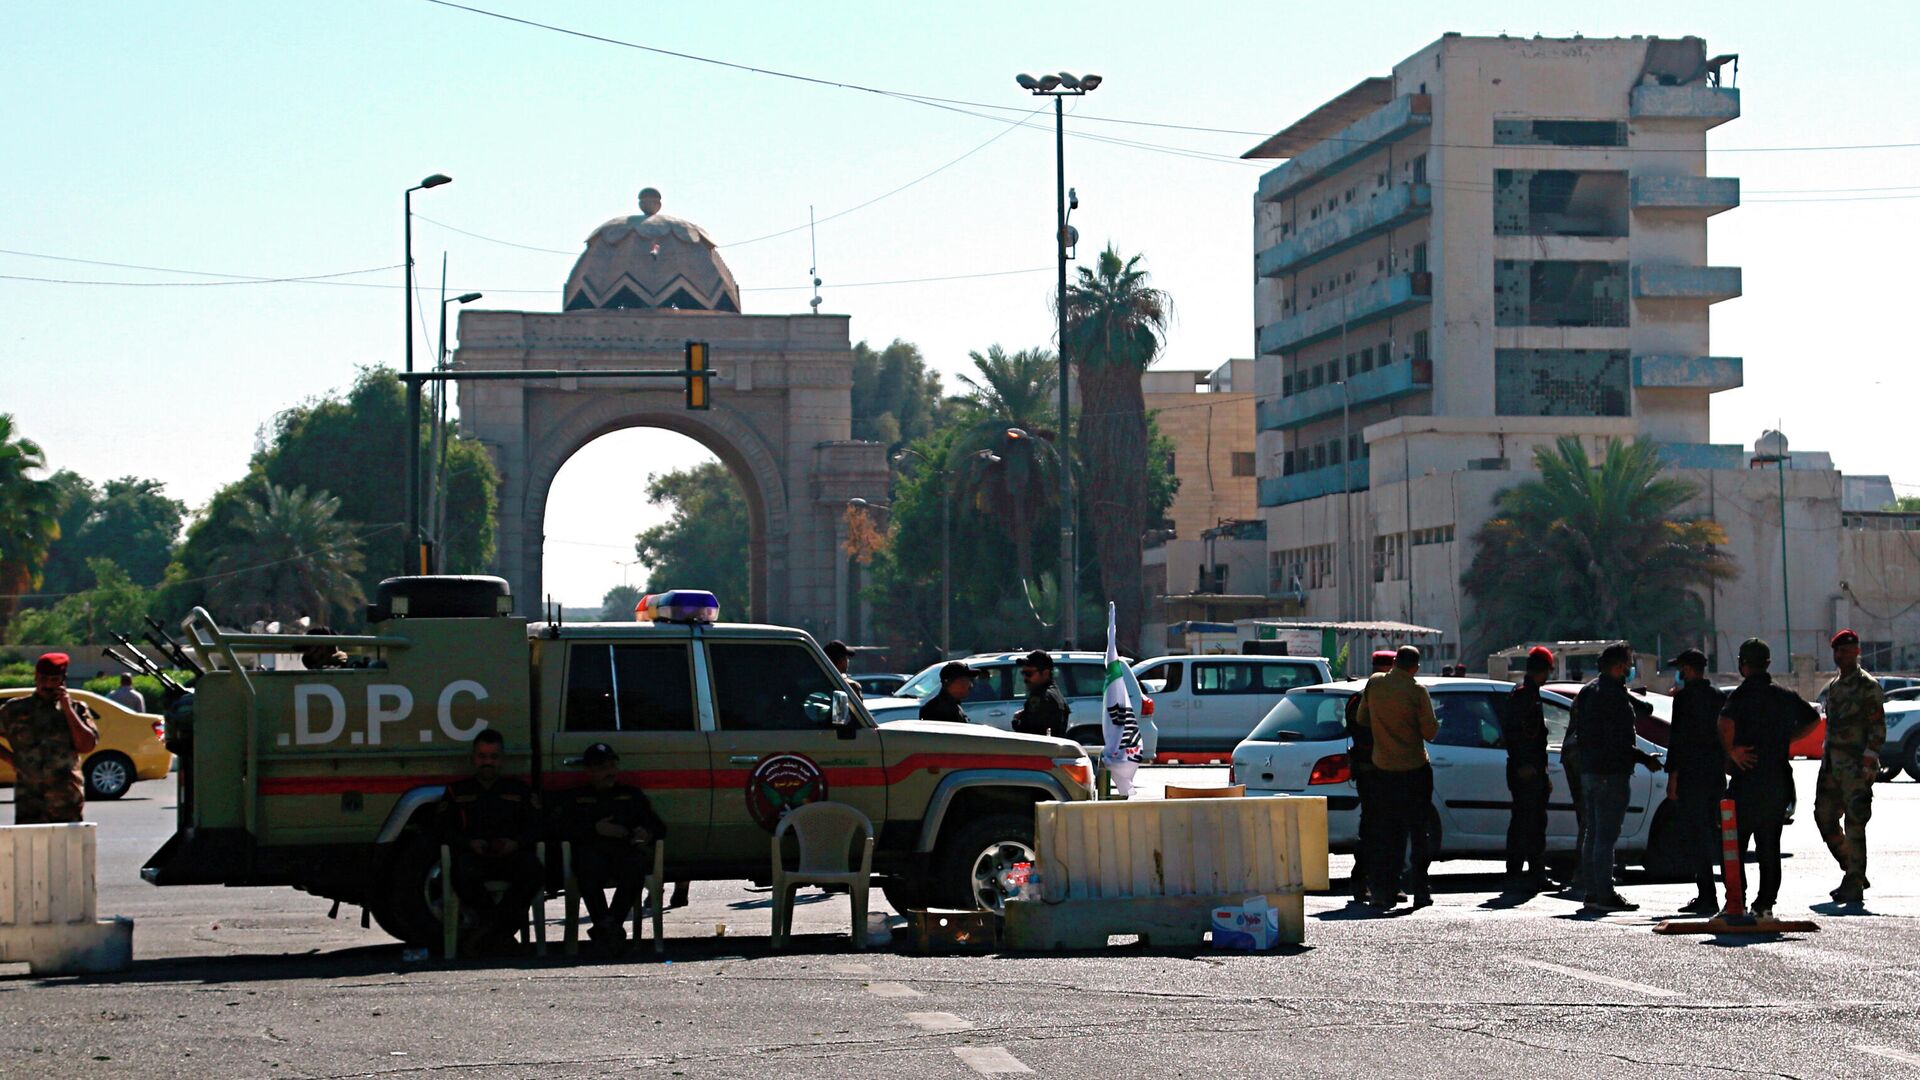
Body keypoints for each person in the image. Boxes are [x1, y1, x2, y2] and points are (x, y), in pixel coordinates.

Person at [1719, 638, 1819, 920]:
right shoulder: (1784, 695)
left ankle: (1735, 902)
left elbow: (1724, 723)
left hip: (1746, 781)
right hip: (1777, 782)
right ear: (1768, 664)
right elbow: (1812, 718)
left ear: (1743, 665)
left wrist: (1732, 752)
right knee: (1769, 846)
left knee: (1734, 845)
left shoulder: (1739, 695)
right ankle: (1765, 905)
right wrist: (1788, 740)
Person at [1572, 643, 1663, 914]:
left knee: (1593, 834)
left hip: (1590, 771)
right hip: (1609, 774)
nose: (1630, 668)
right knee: (1605, 837)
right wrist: (1643, 758)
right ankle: (1604, 893)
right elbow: (1616, 741)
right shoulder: (1610, 697)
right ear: (1617, 666)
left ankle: (1592, 891)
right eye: (1627, 663)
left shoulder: (1589, 691)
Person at [436, 729, 544, 949]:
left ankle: (489, 931)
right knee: (462, 870)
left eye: (493, 757)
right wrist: (468, 844)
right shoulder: (457, 791)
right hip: (475, 857)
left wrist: (516, 843)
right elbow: (443, 829)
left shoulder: (519, 790)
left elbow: (537, 826)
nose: (487, 762)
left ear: (501, 759)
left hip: (510, 856)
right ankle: (501, 933)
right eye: (482, 756)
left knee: (533, 869)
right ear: (473, 758)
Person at [555, 742, 666, 950]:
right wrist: (594, 829)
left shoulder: (630, 795)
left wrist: (646, 833)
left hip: (623, 852)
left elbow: (658, 827)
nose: (610, 772)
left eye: (612, 766)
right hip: (592, 852)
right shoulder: (577, 798)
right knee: (587, 867)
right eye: (602, 768)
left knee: (635, 867)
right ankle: (609, 929)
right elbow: (561, 830)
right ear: (589, 771)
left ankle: (608, 927)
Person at [1355, 646, 1438, 910]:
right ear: (1415, 667)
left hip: (1384, 770)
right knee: (1418, 831)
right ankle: (1421, 890)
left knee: (1388, 832)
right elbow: (1431, 733)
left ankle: (1385, 891)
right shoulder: (1417, 691)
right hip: (1415, 769)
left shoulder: (1375, 684)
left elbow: (1362, 718)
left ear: (1394, 662)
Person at [1814, 629, 1884, 904]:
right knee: (1824, 817)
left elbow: (1877, 727)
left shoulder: (1868, 686)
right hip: (1832, 766)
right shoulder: (1834, 686)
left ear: (1857, 651)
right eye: (1837, 651)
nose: (1839, 655)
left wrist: (1869, 760)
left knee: (1855, 823)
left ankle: (1854, 880)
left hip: (1856, 766)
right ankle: (1851, 868)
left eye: (1845, 650)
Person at [0, 653, 99, 824]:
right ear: (36, 678)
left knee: (67, 849)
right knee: (30, 849)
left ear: (63, 680)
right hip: (29, 800)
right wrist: (13, 760)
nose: (47, 684)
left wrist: (67, 709)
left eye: (54, 679)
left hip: (66, 799)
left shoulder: (77, 709)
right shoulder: (15, 710)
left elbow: (87, 745)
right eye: (43, 678)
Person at [1665, 648, 1728, 915]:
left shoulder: (1683, 700)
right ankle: (1734, 894)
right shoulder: (1718, 697)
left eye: (1681, 668)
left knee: (1697, 835)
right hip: (1715, 775)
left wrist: (1672, 778)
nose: (1679, 673)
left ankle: (1707, 895)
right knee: (1720, 836)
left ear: (1689, 670)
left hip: (1691, 775)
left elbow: (1677, 741)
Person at [1345, 649, 1399, 902]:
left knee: (1382, 828)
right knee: (1375, 828)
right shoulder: (1367, 699)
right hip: (1375, 771)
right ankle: (1365, 881)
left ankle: (1378, 881)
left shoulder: (1360, 698)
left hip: (1381, 770)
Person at [1502, 646, 1555, 891]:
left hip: (1532, 769)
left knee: (1531, 823)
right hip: (1526, 771)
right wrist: (1525, 764)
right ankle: (1525, 873)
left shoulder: (1529, 693)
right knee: (1528, 824)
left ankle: (1533, 872)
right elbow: (1516, 734)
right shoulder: (1525, 695)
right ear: (1543, 670)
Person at [1013, 650, 1070, 739]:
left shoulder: (1041, 696)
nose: (1025, 678)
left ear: (1045, 673)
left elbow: (1030, 734)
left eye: (1029, 674)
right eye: (1023, 673)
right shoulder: (1055, 694)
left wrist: (1016, 721)